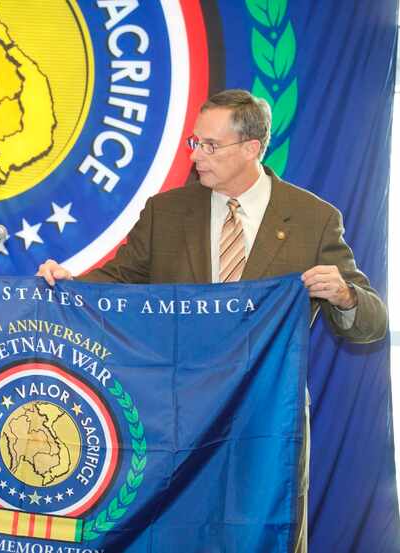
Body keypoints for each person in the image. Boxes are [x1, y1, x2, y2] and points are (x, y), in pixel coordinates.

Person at [38, 89, 387, 552]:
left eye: (210, 145)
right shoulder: (167, 211)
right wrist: (72, 282)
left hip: (268, 415)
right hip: (176, 415)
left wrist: (343, 296)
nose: (197, 155)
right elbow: (119, 279)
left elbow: (372, 323)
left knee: (266, 534)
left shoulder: (313, 219)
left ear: (252, 148)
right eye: (194, 143)